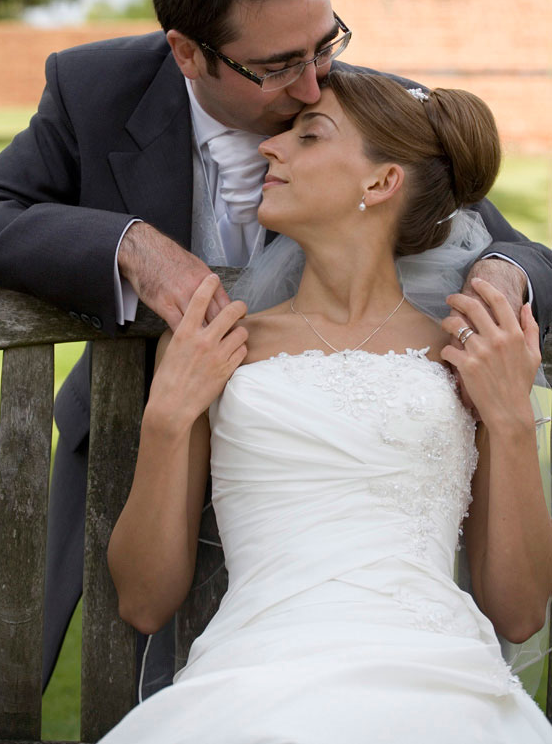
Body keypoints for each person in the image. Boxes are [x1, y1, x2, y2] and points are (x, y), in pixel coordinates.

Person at [0, 0, 551, 693]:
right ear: (188, 52)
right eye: (280, 64)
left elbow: (513, 241)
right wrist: (132, 247)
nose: (317, 80)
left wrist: (500, 274)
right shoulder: (95, 91)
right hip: (158, 452)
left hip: (377, 527)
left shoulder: (358, 109)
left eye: (327, 43)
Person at [102, 71, 552, 743]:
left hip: (440, 681)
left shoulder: (465, 353)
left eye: (309, 135)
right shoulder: (215, 345)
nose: (269, 150)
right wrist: (166, 416)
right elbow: (143, 601)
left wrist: (511, 418)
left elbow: (517, 614)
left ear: (380, 183)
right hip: (250, 679)